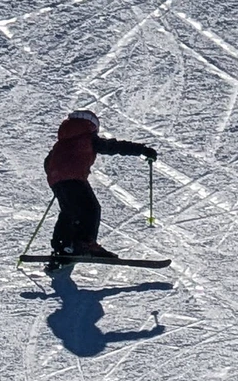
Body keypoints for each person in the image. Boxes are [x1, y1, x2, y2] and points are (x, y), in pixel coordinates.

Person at [43, 109, 158, 264]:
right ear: (91, 125)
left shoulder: (61, 142)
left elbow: (47, 161)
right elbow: (113, 147)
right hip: (74, 178)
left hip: (56, 180)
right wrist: (142, 150)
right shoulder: (88, 138)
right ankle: (85, 244)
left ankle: (62, 246)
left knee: (69, 212)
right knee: (90, 208)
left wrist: (57, 175)